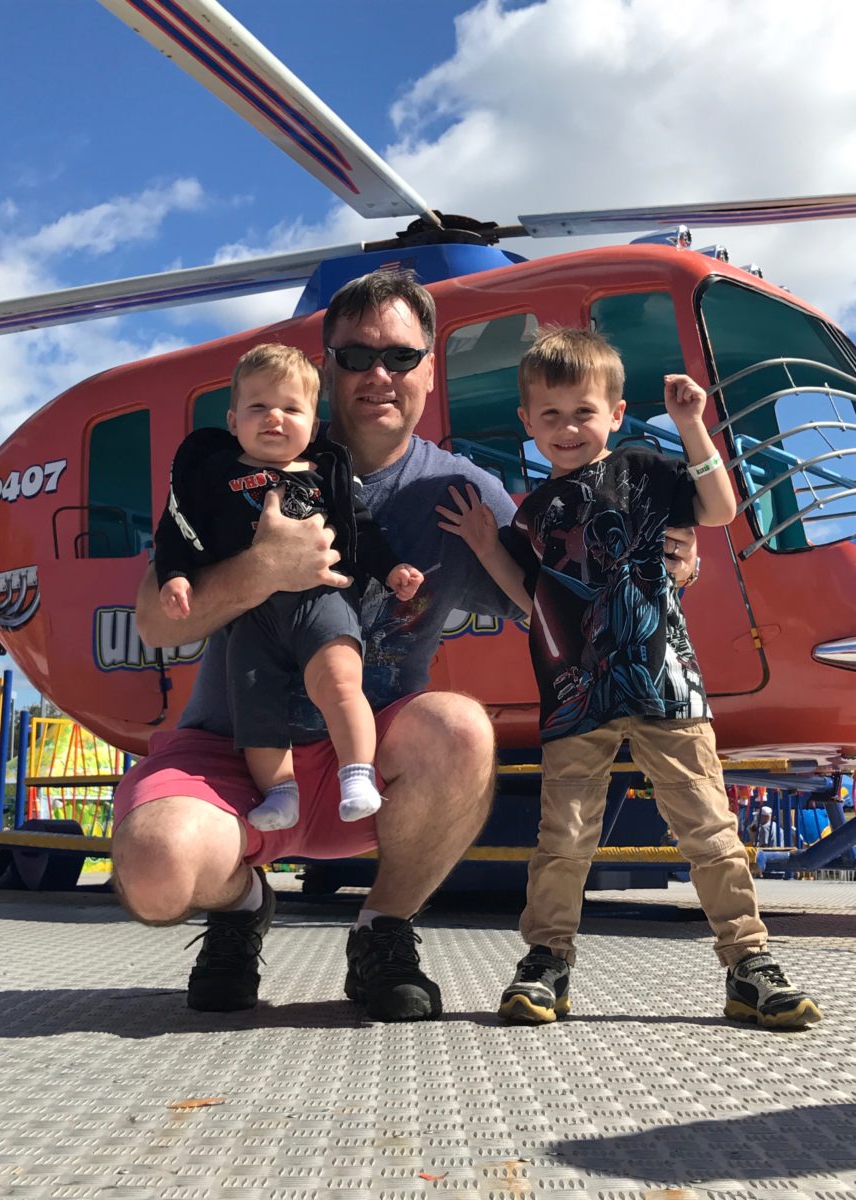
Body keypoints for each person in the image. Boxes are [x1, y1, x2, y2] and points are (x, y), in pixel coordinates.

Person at [111, 274, 699, 1024]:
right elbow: (155, 625)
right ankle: (242, 906)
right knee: (155, 872)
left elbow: (563, 596)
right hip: (233, 751)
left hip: (370, 761)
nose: (378, 374)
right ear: (327, 370)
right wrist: (262, 569)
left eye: (400, 356)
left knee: (461, 728)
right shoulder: (242, 468)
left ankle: (382, 928)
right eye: (356, 357)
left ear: (429, 368)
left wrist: (663, 566)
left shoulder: (461, 492)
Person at [438, 325, 821, 1030]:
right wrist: (489, 545)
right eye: (550, 415)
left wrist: (692, 426)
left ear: (616, 414)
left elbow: (719, 510)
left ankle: (749, 962)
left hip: (667, 685)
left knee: (708, 828)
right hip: (573, 696)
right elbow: (531, 600)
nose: (567, 429)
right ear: (526, 422)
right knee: (563, 837)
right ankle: (546, 960)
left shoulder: (645, 469)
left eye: (583, 412)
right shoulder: (534, 513)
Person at [154, 342, 423, 830]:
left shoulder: (327, 474)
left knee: (339, 680)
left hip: (324, 597)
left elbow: (363, 531)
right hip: (250, 615)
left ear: (313, 426)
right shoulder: (212, 477)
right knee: (253, 703)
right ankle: (280, 793)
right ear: (233, 421)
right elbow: (177, 530)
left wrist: (391, 570)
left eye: (291, 409)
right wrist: (174, 575)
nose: (274, 417)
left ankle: (356, 774)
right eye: (258, 406)